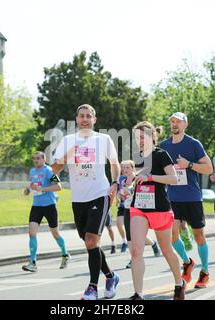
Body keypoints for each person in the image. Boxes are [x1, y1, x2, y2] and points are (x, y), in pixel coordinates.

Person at [51, 104, 120, 300]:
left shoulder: (104, 139)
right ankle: (111, 276)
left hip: (100, 194)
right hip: (78, 199)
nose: (85, 119)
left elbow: (114, 164)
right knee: (91, 244)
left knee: (91, 240)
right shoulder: (67, 141)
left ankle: (92, 288)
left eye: (88, 116)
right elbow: (52, 171)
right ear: (77, 119)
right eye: (81, 116)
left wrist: (115, 183)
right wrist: (65, 159)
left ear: (94, 120)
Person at [128, 121, 185, 300]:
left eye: (143, 136)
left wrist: (150, 177)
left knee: (167, 249)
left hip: (160, 208)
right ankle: (138, 293)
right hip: (139, 207)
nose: (140, 141)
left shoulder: (161, 155)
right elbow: (138, 181)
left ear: (152, 136)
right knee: (136, 251)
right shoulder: (137, 156)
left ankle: (179, 282)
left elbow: (174, 179)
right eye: (137, 137)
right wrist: (129, 186)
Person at [160, 112, 213, 289]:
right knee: (172, 235)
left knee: (199, 236)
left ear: (185, 125)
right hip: (172, 198)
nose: (175, 124)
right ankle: (187, 261)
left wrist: (189, 164)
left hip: (191, 197)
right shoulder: (164, 145)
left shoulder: (193, 144)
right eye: (172, 121)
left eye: (178, 122)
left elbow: (208, 168)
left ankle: (204, 271)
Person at [22, 151, 70, 272]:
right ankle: (33, 262)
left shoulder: (49, 171)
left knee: (55, 233)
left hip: (49, 206)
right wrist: (28, 190)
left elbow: (58, 186)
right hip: (36, 206)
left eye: (38, 158)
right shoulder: (32, 171)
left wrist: (42, 189)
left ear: (44, 159)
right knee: (32, 233)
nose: (36, 160)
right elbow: (32, 185)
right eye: (34, 159)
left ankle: (65, 254)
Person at [118, 160, 161, 269]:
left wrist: (129, 191)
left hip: (138, 210)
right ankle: (134, 258)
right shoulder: (122, 180)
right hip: (127, 209)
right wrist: (121, 196)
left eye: (127, 167)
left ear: (132, 168)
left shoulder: (137, 178)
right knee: (129, 234)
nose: (125, 170)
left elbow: (142, 191)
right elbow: (122, 195)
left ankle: (152, 245)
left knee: (137, 234)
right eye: (123, 168)